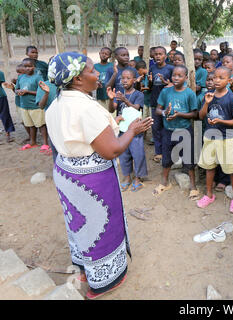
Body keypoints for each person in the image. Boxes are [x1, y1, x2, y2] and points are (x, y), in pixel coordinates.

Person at [45, 51, 153, 299]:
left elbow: (80, 135)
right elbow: (111, 150)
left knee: (78, 222)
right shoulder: (85, 108)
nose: (98, 76)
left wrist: (111, 126)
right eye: (92, 71)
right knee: (100, 225)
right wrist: (133, 130)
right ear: (77, 80)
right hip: (91, 180)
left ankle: (83, 267)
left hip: (67, 173)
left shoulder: (57, 103)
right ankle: (104, 280)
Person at [197, 67, 233, 213]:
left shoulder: (232, 98)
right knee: (210, 167)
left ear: (229, 81)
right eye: (215, 77)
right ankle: (209, 194)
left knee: (232, 169)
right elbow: (201, 116)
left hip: (227, 138)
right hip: (210, 136)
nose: (216, 80)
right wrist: (206, 103)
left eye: (221, 78)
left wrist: (220, 122)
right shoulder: (208, 95)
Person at [153, 65, 200, 200]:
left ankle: (193, 186)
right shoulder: (166, 92)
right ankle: (164, 182)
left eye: (180, 76)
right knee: (166, 158)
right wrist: (164, 112)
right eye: (174, 75)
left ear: (186, 78)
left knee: (188, 159)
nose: (176, 78)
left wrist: (180, 114)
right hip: (168, 130)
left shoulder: (189, 93)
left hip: (184, 130)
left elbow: (195, 113)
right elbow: (157, 109)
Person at [107, 69, 147, 192]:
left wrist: (125, 100)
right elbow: (112, 110)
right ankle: (127, 177)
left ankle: (138, 178)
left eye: (128, 78)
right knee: (124, 155)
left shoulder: (138, 94)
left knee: (138, 154)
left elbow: (136, 108)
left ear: (134, 80)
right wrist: (111, 99)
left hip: (135, 130)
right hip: (122, 130)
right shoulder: (118, 94)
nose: (124, 80)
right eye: (122, 78)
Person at [15, 58, 48, 152]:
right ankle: (32, 142)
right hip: (24, 105)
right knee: (30, 125)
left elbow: (42, 90)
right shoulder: (21, 77)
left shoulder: (38, 77)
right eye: (25, 66)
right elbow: (16, 89)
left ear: (34, 67)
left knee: (41, 124)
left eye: (30, 66)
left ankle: (45, 143)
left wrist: (27, 91)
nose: (27, 68)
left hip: (35, 105)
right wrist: (19, 92)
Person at [149, 46, 174, 163]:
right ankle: (158, 152)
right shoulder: (152, 68)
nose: (158, 56)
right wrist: (148, 82)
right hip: (155, 103)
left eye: (160, 54)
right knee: (156, 128)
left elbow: (175, 84)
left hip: (167, 104)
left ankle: (168, 152)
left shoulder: (170, 68)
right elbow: (149, 87)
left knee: (168, 129)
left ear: (165, 56)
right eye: (156, 54)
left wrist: (167, 82)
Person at [36, 77, 58, 159]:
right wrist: (46, 93)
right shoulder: (45, 85)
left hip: (67, 120)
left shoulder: (69, 83)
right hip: (53, 121)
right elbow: (41, 106)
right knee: (55, 146)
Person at [94, 47, 113, 111]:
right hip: (100, 96)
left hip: (110, 96)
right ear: (99, 53)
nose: (104, 55)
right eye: (102, 53)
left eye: (106, 54)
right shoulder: (95, 66)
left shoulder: (112, 66)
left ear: (110, 56)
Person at [0, 69, 15, 143]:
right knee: (5, 114)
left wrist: (9, 86)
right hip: (1, 96)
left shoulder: (0, 73)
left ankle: (8, 134)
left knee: (5, 115)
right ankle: (8, 135)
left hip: (1, 97)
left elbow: (3, 83)